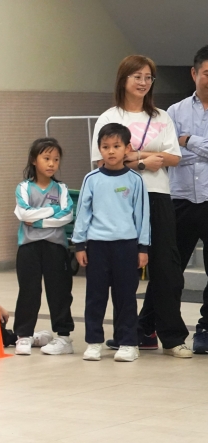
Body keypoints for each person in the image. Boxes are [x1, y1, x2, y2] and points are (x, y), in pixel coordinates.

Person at [92, 55, 188, 357]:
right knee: (123, 271)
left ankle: (172, 338)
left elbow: (173, 157)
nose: (144, 82)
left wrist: (136, 156)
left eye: (148, 77)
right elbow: (101, 162)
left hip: (157, 196)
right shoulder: (109, 118)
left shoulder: (161, 117)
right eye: (137, 76)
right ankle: (127, 335)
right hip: (120, 198)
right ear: (123, 80)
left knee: (167, 268)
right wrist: (146, 161)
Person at [74, 123, 150, 362]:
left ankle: (128, 343)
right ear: (99, 149)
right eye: (105, 146)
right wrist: (79, 244)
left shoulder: (135, 180)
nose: (111, 151)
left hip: (126, 247)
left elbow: (142, 215)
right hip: (97, 246)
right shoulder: (91, 179)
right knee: (95, 297)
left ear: (127, 148)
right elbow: (83, 213)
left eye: (116, 146)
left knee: (126, 297)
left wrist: (143, 248)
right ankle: (94, 342)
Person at [12, 137, 76, 356]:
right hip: (28, 247)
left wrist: (39, 221)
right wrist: (52, 210)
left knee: (59, 291)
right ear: (34, 160)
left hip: (55, 247)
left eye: (56, 159)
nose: (51, 164)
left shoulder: (61, 189)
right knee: (28, 290)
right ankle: (23, 335)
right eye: (46, 158)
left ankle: (64, 336)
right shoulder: (24, 187)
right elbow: (23, 213)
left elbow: (67, 215)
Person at [168, 45, 208, 354]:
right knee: (170, 269)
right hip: (179, 199)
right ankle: (156, 326)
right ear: (194, 73)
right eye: (207, 73)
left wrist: (189, 141)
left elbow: (182, 149)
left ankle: (205, 330)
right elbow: (169, 154)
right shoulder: (174, 111)